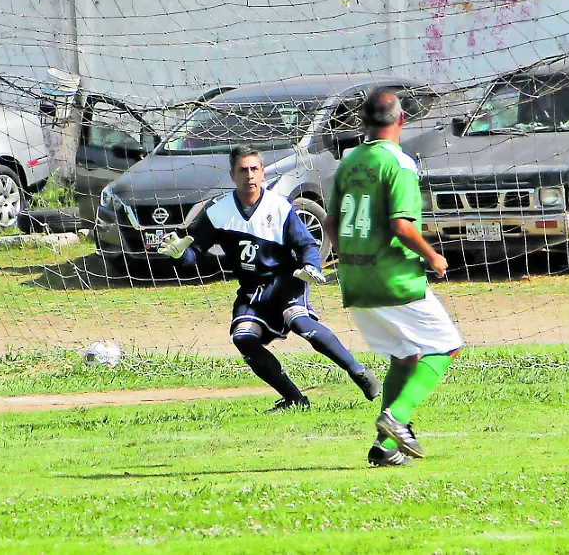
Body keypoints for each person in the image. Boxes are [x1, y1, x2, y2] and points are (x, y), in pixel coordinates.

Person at [158, 145, 380, 411]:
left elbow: (306, 245)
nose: (249, 175)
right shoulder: (218, 212)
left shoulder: (279, 207)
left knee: (299, 321)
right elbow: (192, 254)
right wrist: (178, 255)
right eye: (243, 170)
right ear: (232, 175)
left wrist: (311, 266)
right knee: (243, 338)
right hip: (253, 290)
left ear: (263, 172)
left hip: (287, 281)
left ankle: (358, 372)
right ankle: (294, 399)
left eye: (254, 169)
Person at [325, 87, 463, 468]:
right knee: (446, 346)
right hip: (393, 278)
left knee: (404, 356)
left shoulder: (349, 162)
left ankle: (385, 447)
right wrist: (433, 256)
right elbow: (401, 226)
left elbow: (331, 223)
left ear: (363, 122)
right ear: (402, 119)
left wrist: (349, 257)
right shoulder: (399, 163)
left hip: (354, 280)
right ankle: (397, 417)